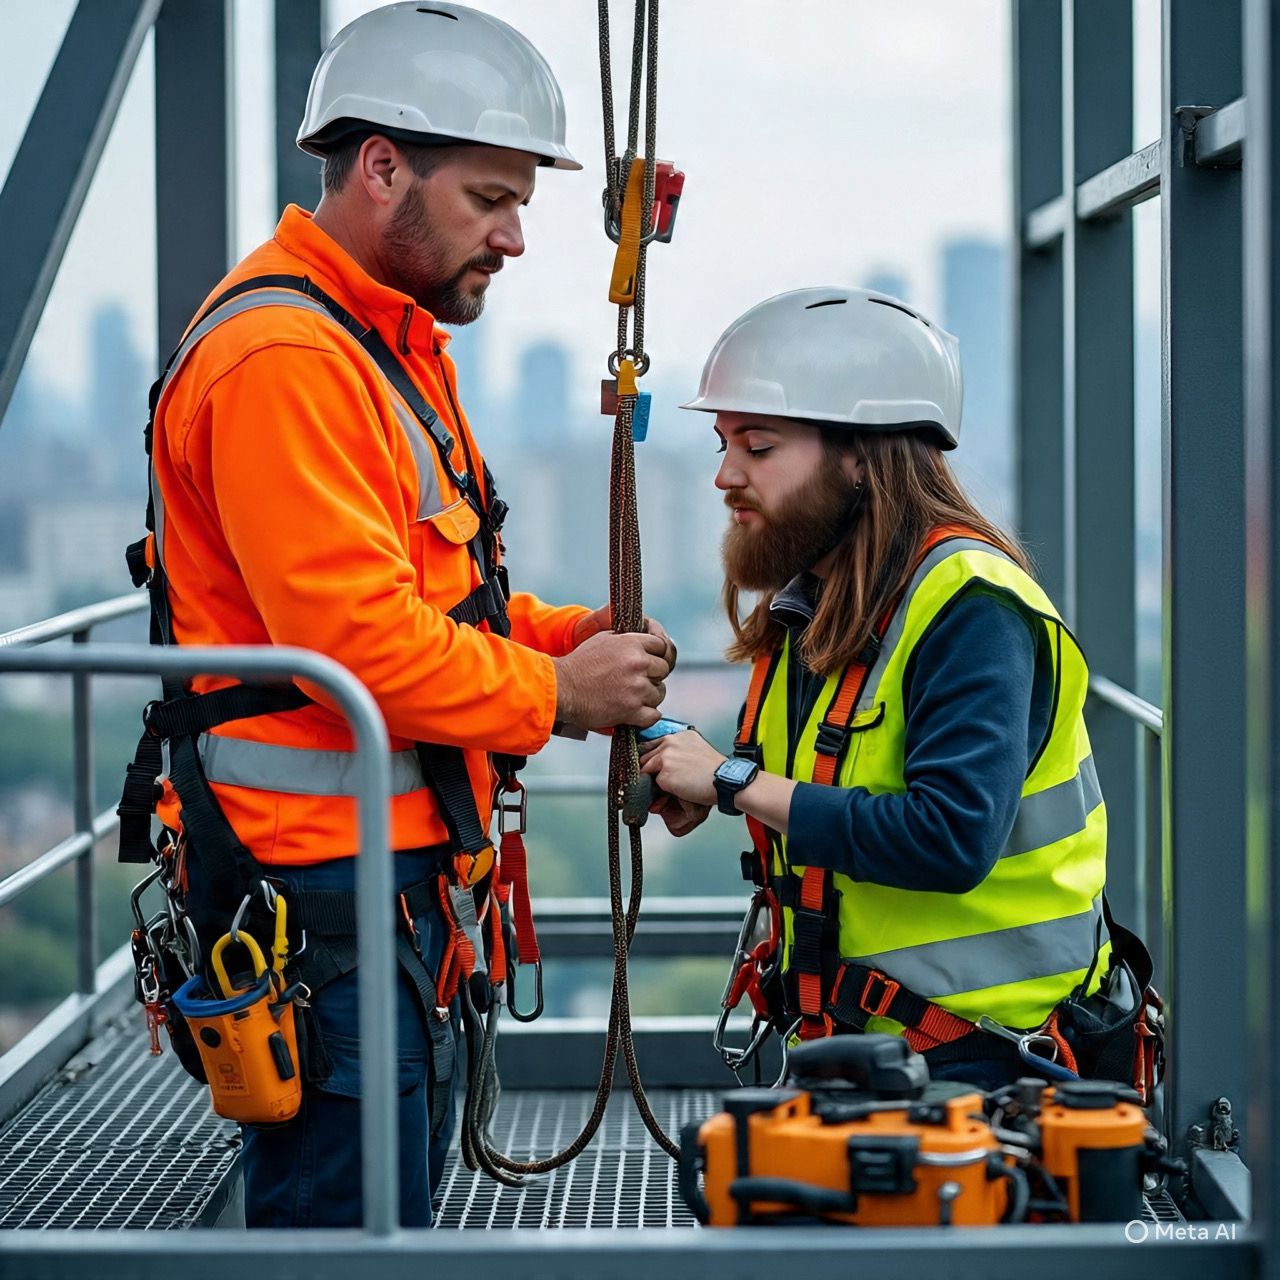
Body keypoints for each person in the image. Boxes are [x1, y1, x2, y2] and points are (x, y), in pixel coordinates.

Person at [129, 2, 673, 1228]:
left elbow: (434, 597)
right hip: (320, 896)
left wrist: (567, 639)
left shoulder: (377, 343)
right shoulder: (286, 361)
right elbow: (358, 646)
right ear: (380, 167)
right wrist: (558, 693)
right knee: (350, 1233)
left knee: (388, 1216)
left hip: (383, 886)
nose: (514, 235)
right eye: (489, 198)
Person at [640, 287, 1107, 1092]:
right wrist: (704, 777)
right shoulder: (823, 599)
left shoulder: (971, 609)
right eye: (724, 444)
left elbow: (950, 838)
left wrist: (733, 781)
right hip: (860, 1045)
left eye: (758, 447)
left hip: (984, 1064)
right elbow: (828, 777)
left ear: (861, 455)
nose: (724, 475)